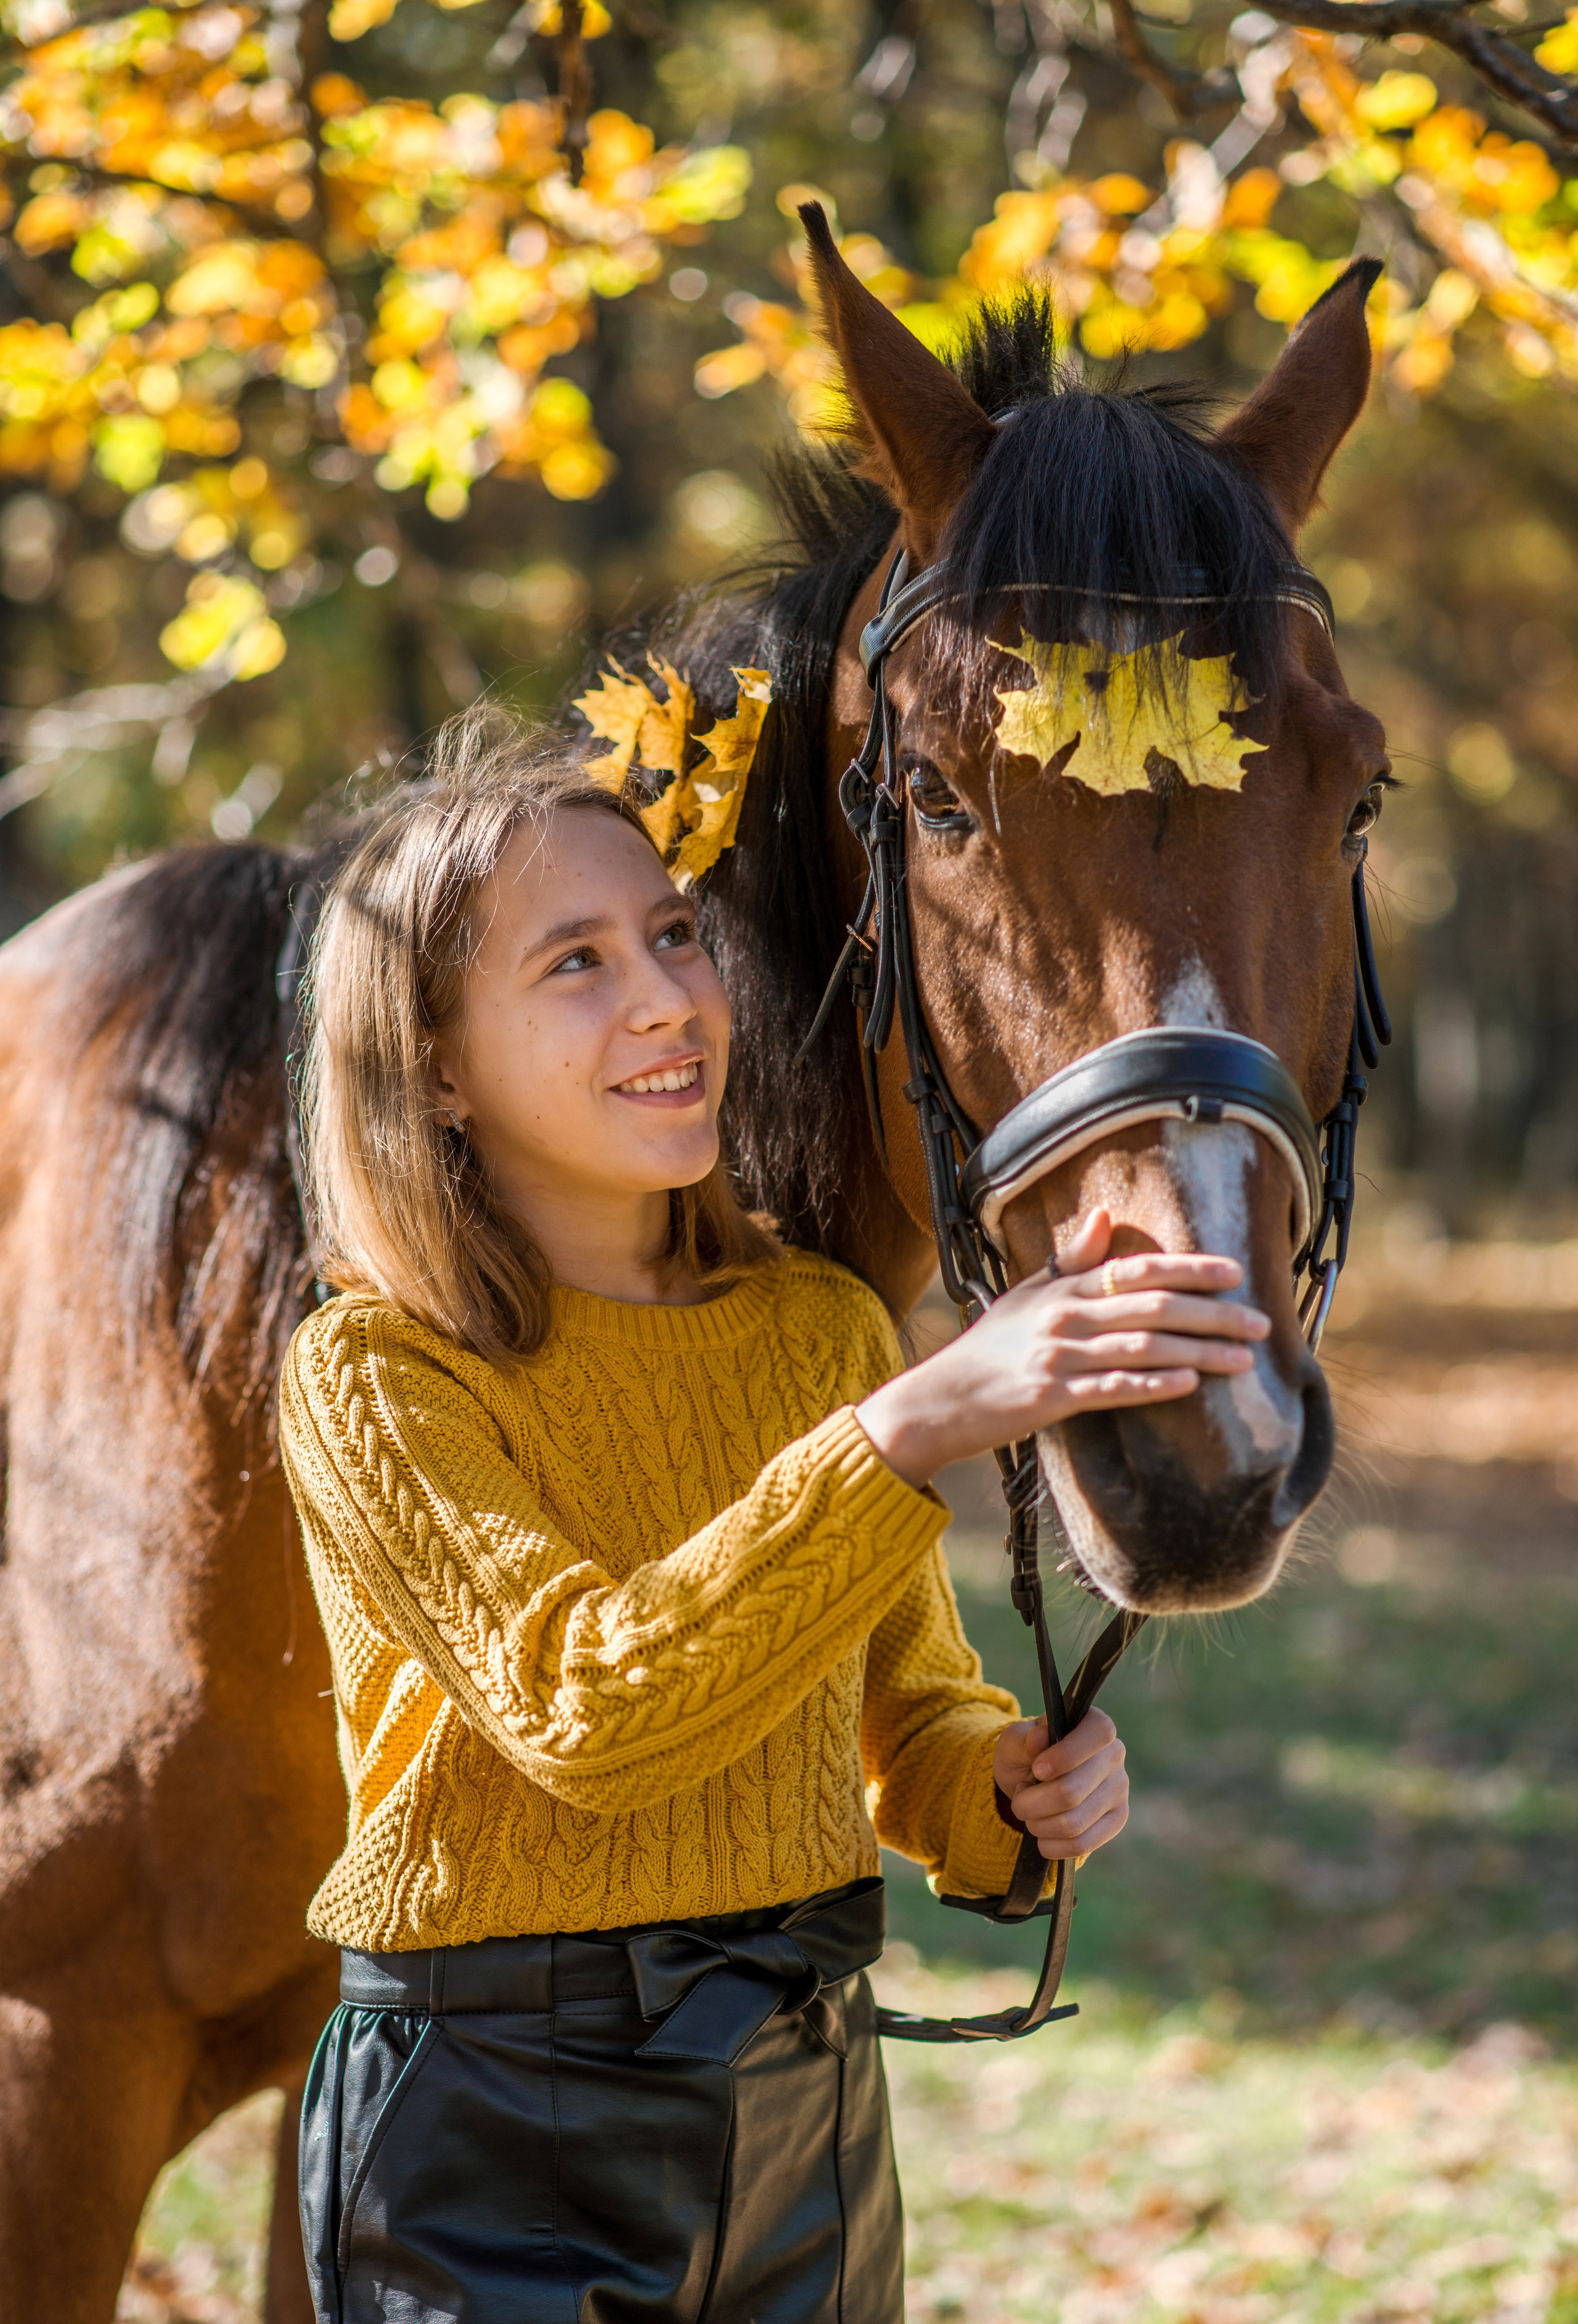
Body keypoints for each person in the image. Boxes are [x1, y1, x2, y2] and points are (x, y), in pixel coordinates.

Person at [279, 710, 1271, 2324]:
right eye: (577, 962)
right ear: (436, 1064)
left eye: (675, 934)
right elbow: (584, 1704)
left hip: (803, 2091)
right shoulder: (379, 1373)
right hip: (495, 2123)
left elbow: (901, 1706)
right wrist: (917, 1421)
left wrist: (1002, 1789)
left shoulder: (813, 1329)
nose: (671, 995)